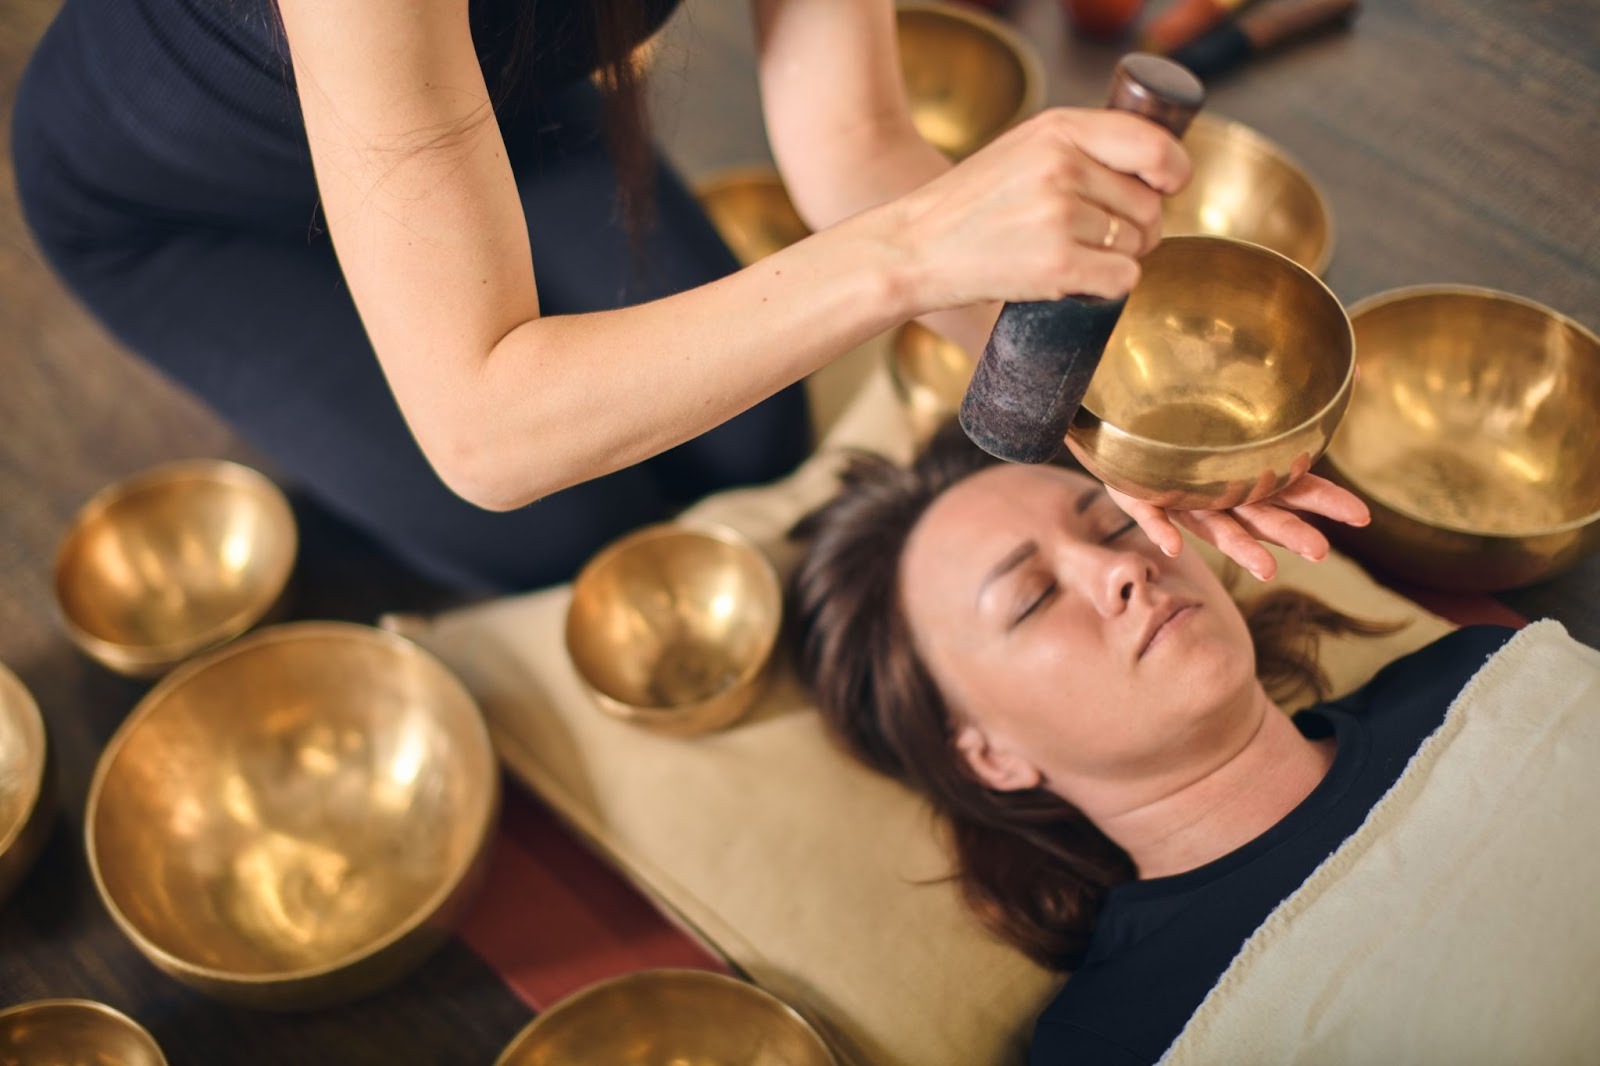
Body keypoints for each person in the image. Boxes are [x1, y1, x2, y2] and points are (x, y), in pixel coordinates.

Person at [12, 0, 1357, 591]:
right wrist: (917, 250)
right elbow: (488, 432)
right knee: (563, 527)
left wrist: (1107, 421)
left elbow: (851, 147)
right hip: (196, 212)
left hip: (494, 117)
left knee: (755, 435)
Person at [787, 422, 1518, 1064]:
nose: (1121, 567)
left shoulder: (1482, 680)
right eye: (1034, 598)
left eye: (1112, 526)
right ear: (992, 757)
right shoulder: (1128, 1037)